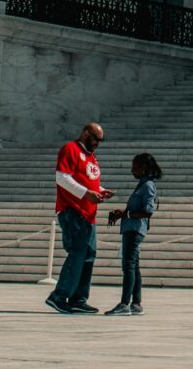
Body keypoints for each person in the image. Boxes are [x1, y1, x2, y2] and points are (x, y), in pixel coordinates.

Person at [45, 120, 111, 314]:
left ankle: (78, 298)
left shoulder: (92, 157)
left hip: (89, 214)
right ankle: (58, 296)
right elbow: (62, 177)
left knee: (89, 255)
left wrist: (101, 191)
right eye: (95, 139)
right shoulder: (70, 149)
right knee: (78, 252)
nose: (98, 143)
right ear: (85, 133)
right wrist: (86, 194)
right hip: (72, 210)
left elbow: (89, 182)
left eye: (101, 140)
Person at [104, 153, 161, 317]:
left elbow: (148, 211)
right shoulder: (143, 184)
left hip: (134, 230)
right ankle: (136, 304)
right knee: (134, 267)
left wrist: (125, 214)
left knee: (128, 266)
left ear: (144, 168)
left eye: (135, 167)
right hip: (132, 228)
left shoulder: (148, 185)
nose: (132, 170)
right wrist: (124, 214)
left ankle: (124, 304)